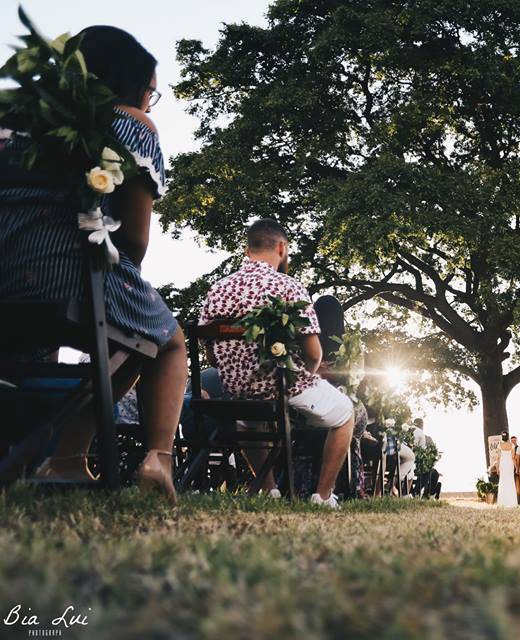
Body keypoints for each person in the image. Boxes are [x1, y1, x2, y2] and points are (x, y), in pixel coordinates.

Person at [0, 26, 185, 502]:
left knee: (125, 337)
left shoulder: (14, 115)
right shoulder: (129, 124)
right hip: (77, 279)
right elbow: (137, 243)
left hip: (5, 277)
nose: (149, 103)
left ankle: (67, 459)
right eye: (151, 93)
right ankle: (158, 460)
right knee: (162, 342)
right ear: (129, 85)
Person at [200, 219, 354, 508]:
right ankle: (322, 496)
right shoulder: (288, 287)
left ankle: (268, 489)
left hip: (238, 390)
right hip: (283, 384)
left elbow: (212, 357)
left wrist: (239, 373)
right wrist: (306, 377)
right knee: (346, 413)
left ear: (247, 250)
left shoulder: (217, 291)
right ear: (282, 248)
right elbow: (314, 354)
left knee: (248, 422)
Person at [495, 432, 518, 507]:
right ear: (508, 437)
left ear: (502, 437)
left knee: (503, 481)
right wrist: (516, 467)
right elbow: (513, 458)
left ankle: (502, 502)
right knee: (510, 481)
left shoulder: (499, 445)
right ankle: (512, 502)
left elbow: (498, 458)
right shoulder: (512, 445)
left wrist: (497, 468)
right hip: (509, 465)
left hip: (503, 465)